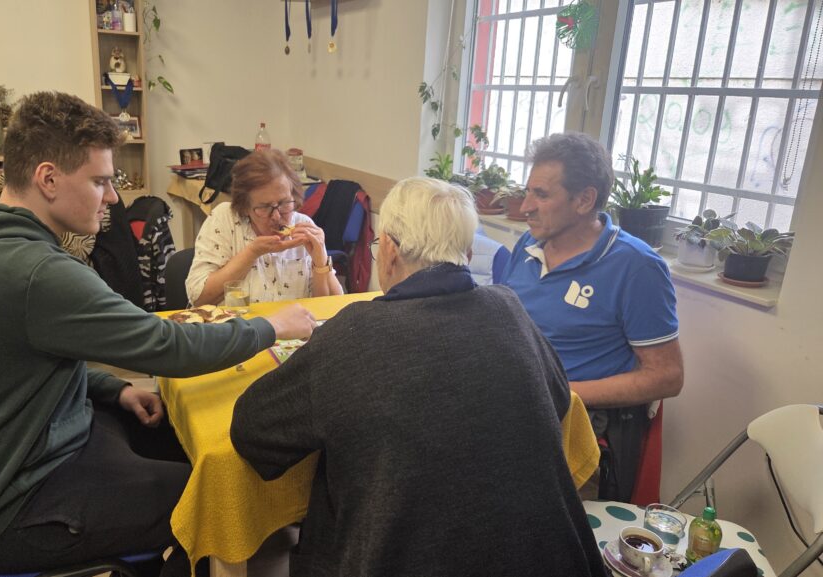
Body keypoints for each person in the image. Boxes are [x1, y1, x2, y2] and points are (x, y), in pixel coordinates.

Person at [0, 92, 317, 576]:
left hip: (19, 453)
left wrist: (114, 389)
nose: (111, 198)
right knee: (216, 498)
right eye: (101, 181)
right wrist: (273, 327)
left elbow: (24, 364)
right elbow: (167, 346)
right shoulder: (34, 270)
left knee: (186, 444)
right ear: (48, 178)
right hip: (9, 506)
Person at [231, 177, 605, 577]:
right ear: (466, 253)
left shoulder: (354, 333)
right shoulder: (508, 308)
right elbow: (559, 399)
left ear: (390, 251)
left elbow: (253, 431)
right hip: (552, 560)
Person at [500, 132, 683, 502]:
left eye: (541, 194)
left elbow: (667, 376)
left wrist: (561, 392)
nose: (526, 206)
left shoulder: (636, 266)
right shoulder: (529, 244)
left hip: (578, 433)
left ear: (584, 200)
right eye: (527, 191)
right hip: (516, 414)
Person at [185, 149, 343, 306]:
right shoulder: (225, 219)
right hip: (235, 322)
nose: (276, 216)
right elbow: (198, 298)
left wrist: (321, 262)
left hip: (293, 323)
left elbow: (333, 309)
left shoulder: (304, 227)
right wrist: (252, 253)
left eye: (284, 203)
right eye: (264, 207)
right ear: (245, 207)